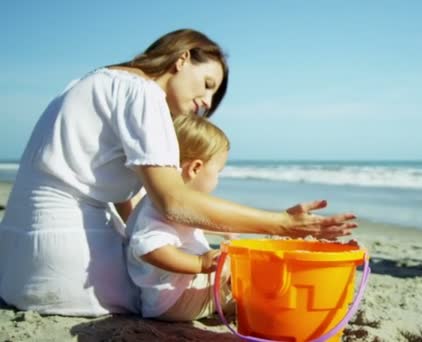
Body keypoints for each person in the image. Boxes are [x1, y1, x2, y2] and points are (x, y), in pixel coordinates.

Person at [0, 29, 357, 316]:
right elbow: (174, 202)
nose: (207, 103)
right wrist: (281, 223)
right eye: (207, 84)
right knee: (181, 292)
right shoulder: (143, 92)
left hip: (18, 256)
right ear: (182, 58)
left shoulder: (98, 80)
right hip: (60, 259)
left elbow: (137, 198)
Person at [126, 115, 233, 321]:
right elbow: (149, 249)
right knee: (234, 271)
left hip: (170, 297)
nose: (217, 178)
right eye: (218, 172)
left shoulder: (160, 199)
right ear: (195, 168)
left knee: (230, 267)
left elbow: (183, 228)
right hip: (176, 300)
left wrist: (220, 230)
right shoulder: (158, 208)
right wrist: (199, 263)